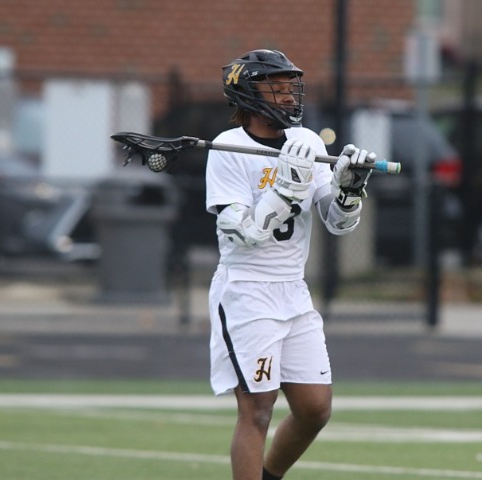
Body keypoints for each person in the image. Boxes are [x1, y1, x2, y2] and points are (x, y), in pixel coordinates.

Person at [205, 48, 376, 480]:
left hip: (293, 289)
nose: (287, 96)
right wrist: (284, 190)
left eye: (290, 87)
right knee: (258, 408)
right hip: (247, 290)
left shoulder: (308, 142)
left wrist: (348, 190)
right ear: (248, 94)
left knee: (315, 408)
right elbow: (243, 233)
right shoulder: (228, 148)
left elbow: (337, 224)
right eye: (276, 87)